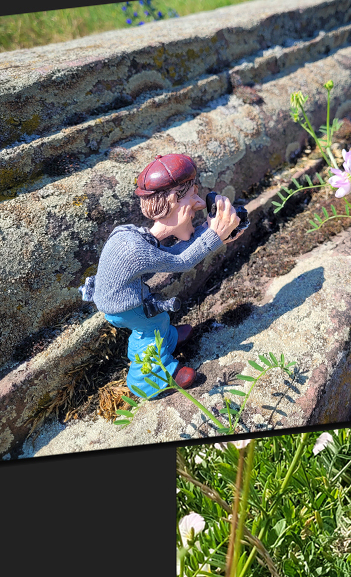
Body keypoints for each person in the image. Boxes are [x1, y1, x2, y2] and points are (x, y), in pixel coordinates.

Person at [80, 153, 240, 399]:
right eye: (192, 196)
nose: (198, 203)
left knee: (157, 321)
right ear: (175, 202)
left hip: (121, 299)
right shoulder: (137, 249)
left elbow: (173, 252)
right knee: (152, 325)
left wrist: (208, 232)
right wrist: (214, 235)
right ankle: (147, 380)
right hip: (124, 307)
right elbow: (182, 260)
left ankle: (169, 338)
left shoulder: (134, 236)